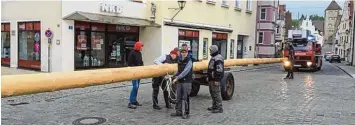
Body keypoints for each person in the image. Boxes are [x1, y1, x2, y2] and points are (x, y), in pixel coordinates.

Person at [171, 47, 193, 119]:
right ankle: (178, 112)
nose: (184, 53)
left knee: (186, 97)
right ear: (180, 53)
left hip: (186, 81)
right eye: (182, 52)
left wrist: (177, 78)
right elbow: (179, 71)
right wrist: (173, 76)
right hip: (180, 81)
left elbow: (185, 72)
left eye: (185, 52)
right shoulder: (179, 60)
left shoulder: (189, 61)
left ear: (187, 53)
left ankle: (187, 113)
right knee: (178, 97)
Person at [206, 45, 224, 113]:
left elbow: (219, 70)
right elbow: (211, 68)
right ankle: (214, 105)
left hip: (215, 79)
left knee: (216, 93)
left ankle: (219, 107)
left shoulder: (218, 58)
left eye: (210, 50)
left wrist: (217, 79)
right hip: (211, 78)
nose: (209, 51)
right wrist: (209, 77)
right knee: (212, 93)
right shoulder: (213, 57)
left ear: (213, 50)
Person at [127, 41, 144, 109]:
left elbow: (141, 62)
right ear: (138, 47)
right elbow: (129, 63)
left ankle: (134, 101)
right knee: (135, 86)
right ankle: (130, 102)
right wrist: (135, 68)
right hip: (134, 72)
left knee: (137, 86)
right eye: (141, 47)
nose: (142, 48)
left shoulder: (139, 53)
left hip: (139, 72)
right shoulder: (132, 53)